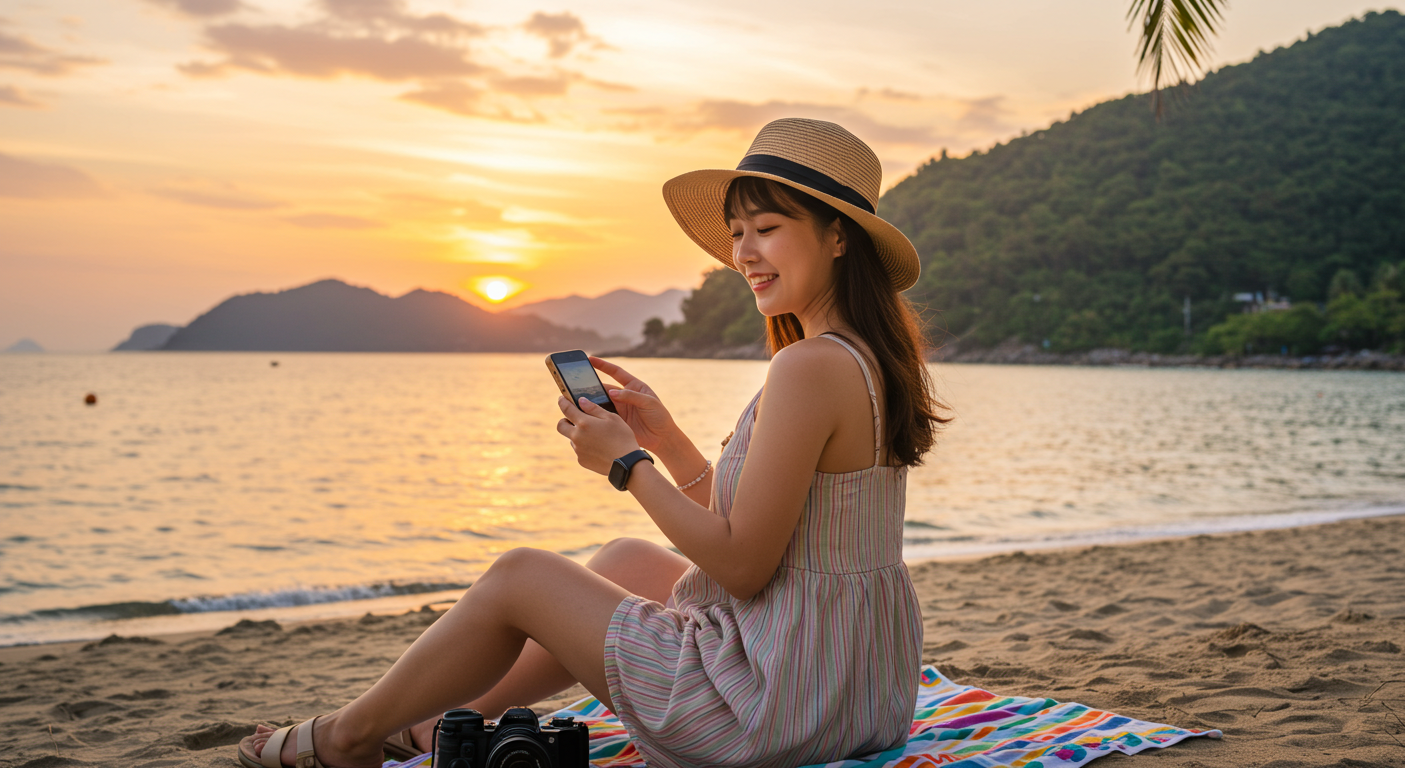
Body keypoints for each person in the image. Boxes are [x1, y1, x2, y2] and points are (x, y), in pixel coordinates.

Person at [237, 117, 949, 768]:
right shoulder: (858, 356)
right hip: (852, 691)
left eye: (765, 228)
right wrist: (666, 441)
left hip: (777, 712)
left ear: (838, 236)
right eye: (737, 233)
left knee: (521, 575)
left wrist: (626, 465)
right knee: (625, 562)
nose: (743, 253)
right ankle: (432, 725)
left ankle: (346, 738)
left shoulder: (805, 367)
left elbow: (741, 566)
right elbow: (773, 529)